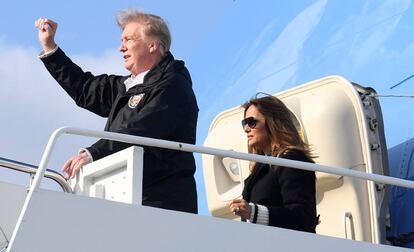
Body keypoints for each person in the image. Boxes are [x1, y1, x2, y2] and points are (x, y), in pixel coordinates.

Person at [34, 9, 198, 214]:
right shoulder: (127, 86)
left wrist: (94, 153)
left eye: (128, 40)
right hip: (130, 201)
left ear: (153, 45)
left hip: (162, 206)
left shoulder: (173, 85)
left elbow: (141, 128)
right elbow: (85, 89)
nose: (121, 48)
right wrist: (50, 48)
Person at [229, 95, 318, 232]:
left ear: (272, 122)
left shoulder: (292, 159)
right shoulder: (260, 168)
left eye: (251, 122)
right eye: (244, 123)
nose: (246, 128)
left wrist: (253, 212)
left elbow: (303, 217)